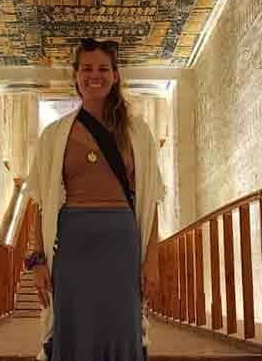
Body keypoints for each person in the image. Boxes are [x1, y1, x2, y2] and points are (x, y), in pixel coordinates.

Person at [21, 38, 166, 361]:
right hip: (74, 245)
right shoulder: (54, 134)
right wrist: (37, 259)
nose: (94, 75)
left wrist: (152, 259)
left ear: (115, 76)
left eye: (103, 68)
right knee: (75, 326)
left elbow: (151, 200)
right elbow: (40, 201)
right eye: (86, 68)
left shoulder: (137, 133)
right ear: (76, 75)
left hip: (121, 243)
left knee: (121, 326)